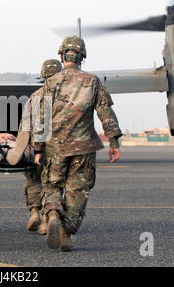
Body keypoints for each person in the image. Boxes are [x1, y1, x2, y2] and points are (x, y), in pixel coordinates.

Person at [34, 36, 123, 251]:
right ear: (82, 56)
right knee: (78, 190)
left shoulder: (51, 83)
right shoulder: (92, 81)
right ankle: (66, 232)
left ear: (61, 55)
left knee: (52, 184)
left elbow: (41, 118)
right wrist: (114, 143)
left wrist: (38, 148)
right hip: (84, 147)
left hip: (55, 147)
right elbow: (106, 113)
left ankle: (53, 212)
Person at [7, 59, 63, 235]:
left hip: (34, 148)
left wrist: (26, 148)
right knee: (53, 184)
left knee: (33, 180)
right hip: (58, 148)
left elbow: (26, 124)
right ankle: (48, 219)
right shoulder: (66, 97)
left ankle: (34, 212)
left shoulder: (35, 97)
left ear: (43, 75)